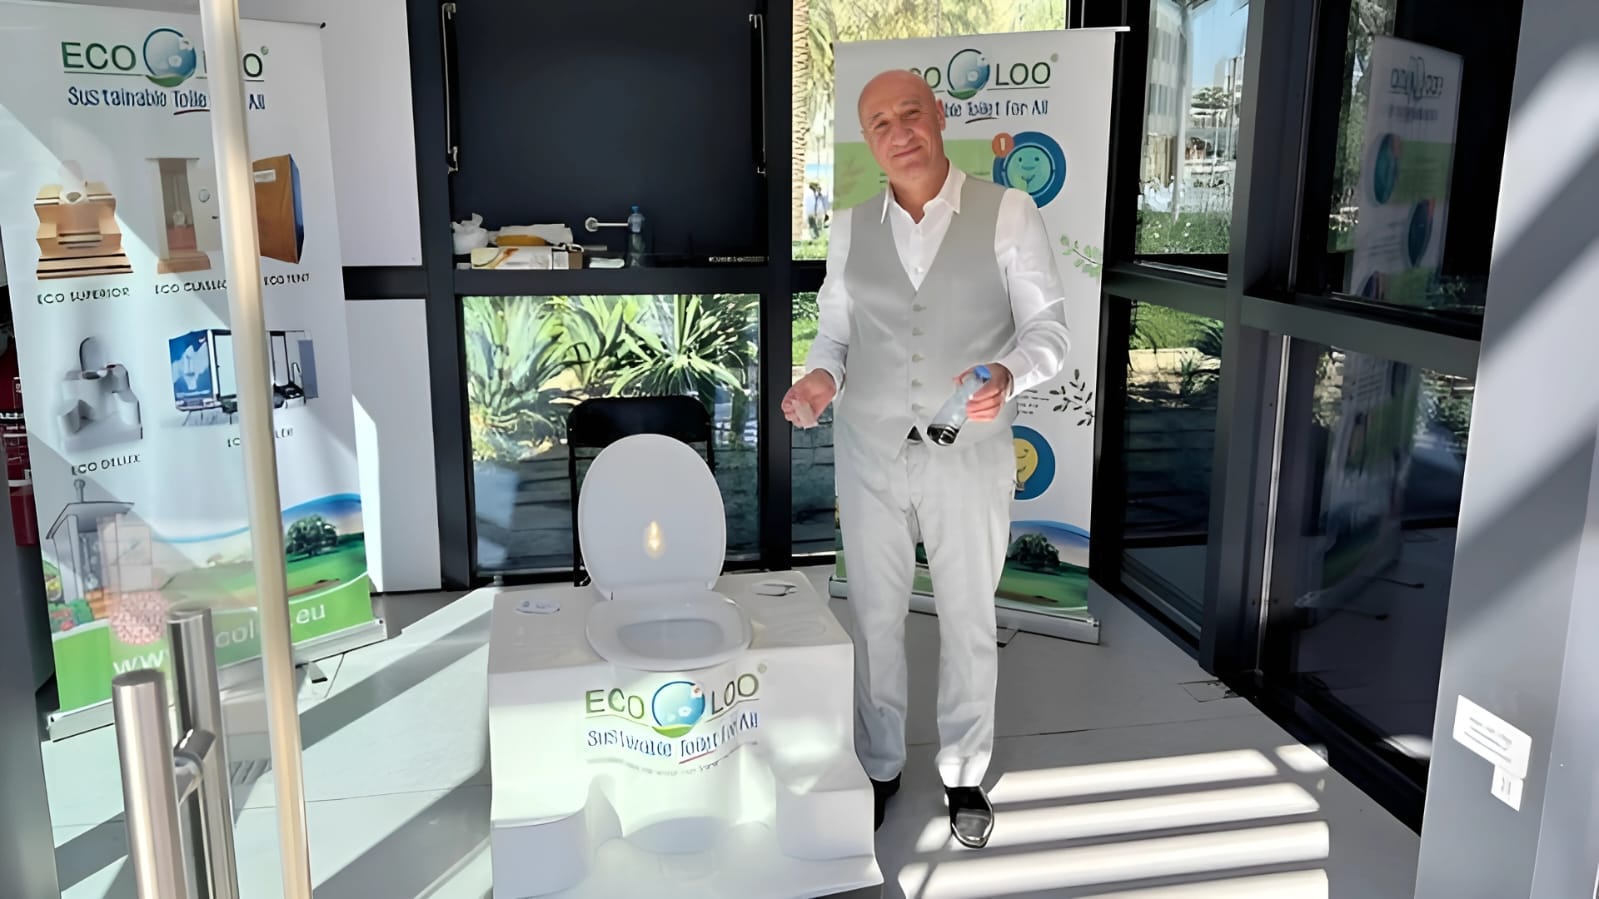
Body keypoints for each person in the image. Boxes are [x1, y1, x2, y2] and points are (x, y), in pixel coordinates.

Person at [781, 69, 1070, 849]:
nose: (897, 132)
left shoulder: (1008, 212)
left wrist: (1009, 373)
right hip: (868, 449)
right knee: (873, 614)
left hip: (968, 453)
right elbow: (834, 337)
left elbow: (1049, 331)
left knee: (968, 614)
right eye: (879, 122)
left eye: (909, 113)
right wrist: (818, 379)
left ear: (937, 117)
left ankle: (963, 769)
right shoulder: (850, 226)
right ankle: (878, 763)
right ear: (868, 140)